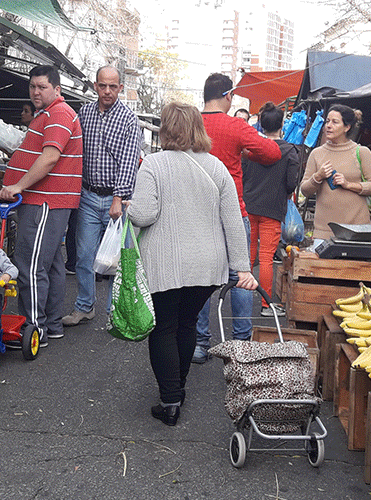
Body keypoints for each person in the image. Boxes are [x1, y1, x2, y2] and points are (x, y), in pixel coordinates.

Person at [127, 102, 258, 426]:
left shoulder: (154, 164)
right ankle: (179, 388)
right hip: (206, 267)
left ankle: (170, 400)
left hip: (166, 263)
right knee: (186, 325)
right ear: (198, 128)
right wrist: (242, 267)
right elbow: (233, 219)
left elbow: (144, 215)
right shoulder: (216, 167)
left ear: (167, 129)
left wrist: (130, 207)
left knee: (164, 327)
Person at [193, 73, 282, 364]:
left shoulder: (191, 123)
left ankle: (199, 343)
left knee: (201, 280)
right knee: (241, 276)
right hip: (232, 210)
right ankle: (241, 345)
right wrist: (244, 152)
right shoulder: (236, 126)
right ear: (228, 96)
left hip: (197, 212)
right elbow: (272, 151)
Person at [0, 65, 83, 348]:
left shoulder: (58, 113)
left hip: (44, 199)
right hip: (47, 199)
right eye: (33, 86)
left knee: (31, 266)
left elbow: (49, 158)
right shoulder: (47, 114)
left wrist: (18, 186)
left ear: (56, 89)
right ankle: (52, 325)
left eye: (42, 87)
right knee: (51, 265)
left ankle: (34, 329)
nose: (36, 91)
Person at [62, 66, 141, 329]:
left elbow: (129, 163)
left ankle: (113, 312)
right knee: (84, 256)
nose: (107, 91)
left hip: (115, 199)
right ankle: (85, 306)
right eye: (102, 86)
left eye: (113, 86)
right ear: (95, 86)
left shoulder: (129, 120)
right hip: (86, 195)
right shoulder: (84, 113)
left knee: (115, 261)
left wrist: (118, 198)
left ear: (120, 88)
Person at [242, 102, 299, 317]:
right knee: (266, 257)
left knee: (247, 255)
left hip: (249, 205)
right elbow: (291, 183)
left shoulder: (251, 148)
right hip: (272, 208)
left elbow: (244, 173)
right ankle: (266, 305)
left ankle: (242, 299)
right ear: (281, 124)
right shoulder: (289, 151)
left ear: (262, 125)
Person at [299, 104, 371, 240]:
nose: (328, 126)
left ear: (347, 127)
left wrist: (349, 184)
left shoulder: (361, 152)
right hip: (324, 233)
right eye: (327, 121)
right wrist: (318, 176)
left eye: (335, 122)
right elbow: (305, 190)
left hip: (357, 232)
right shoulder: (317, 154)